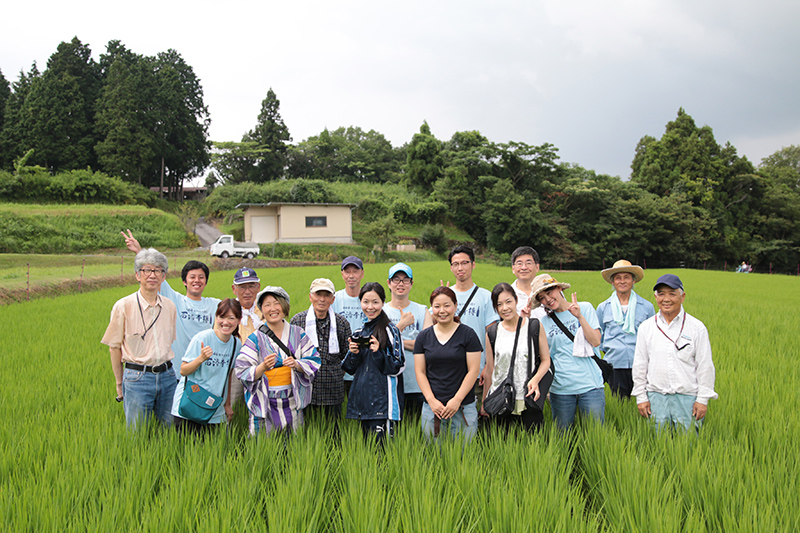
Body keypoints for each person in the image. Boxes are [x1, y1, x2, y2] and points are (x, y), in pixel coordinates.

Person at [122, 230, 220, 381]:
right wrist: (138, 251)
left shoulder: (214, 304)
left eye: (201, 277)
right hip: (176, 372)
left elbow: (236, 310)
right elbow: (154, 273)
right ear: (184, 281)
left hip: (204, 371)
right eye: (192, 277)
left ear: (206, 282)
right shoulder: (175, 300)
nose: (197, 280)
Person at [101, 248, 177, 428]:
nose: (152, 275)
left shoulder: (170, 307)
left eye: (158, 270)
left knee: (169, 429)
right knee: (137, 433)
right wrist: (119, 384)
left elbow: (170, 342)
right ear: (137, 275)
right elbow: (114, 347)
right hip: (137, 377)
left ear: (163, 276)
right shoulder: (123, 306)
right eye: (147, 270)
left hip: (167, 376)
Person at [632, 274, 717, 432]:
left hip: (687, 398)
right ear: (655, 296)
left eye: (672, 293)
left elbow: (705, 366)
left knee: (687, 448)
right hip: (655, 397)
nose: (666, 299)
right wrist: (641, 397)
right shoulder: (646, 327)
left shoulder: (696, 327)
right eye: (661, 294)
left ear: (682, 296)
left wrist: (703, 399)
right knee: (658, 446)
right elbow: (640, 364)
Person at [235, 287, 321, 436]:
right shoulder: (255, 338)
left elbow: (314, 360)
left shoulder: (298, 333)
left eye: (276, 303)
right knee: (263, 447)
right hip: (264, 402)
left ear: (284, 306)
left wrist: (297, 364)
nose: (272, 309)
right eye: (267, 305)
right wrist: (262, 367)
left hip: (292, 400)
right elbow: (241, 369)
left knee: (293, 445)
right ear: (261, 309)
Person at [531, 273, 605, 429]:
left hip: (590, 385)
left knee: (595, 434)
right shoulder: (543, 322)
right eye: (542, 298)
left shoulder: (584, 308)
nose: (548, 299)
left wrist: (580, 317)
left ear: (558, 288)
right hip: (561, 388)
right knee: (563, 436)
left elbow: (596, 341)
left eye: (549, 292)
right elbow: (544, 357)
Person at [414, 287, 482, 442]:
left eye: (447, 305)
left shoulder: (468, 334)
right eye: (437, 306)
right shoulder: (424, 337)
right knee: (433, 457)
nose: (442, 311)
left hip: (463, 406)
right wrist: (432, 401)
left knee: (464, 457)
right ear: (432, 308)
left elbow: (473, 370)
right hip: (432, 408)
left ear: (455, 306)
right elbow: (420, 372)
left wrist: (457, 400)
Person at [483, 283, 551, 432]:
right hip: (501, 398)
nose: (505, 308)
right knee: (503, 444)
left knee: (531, 444)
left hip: (527, 396)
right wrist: (484, 402)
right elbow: (490, 369)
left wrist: (535, 379)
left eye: (508, 302)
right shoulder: (493, 332)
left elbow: (546, 360)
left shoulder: (533, 326)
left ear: (515, 301)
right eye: (499, 304)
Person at [342, 282, 404, 443]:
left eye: (375, 302)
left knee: (382, 452)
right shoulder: (359, 332)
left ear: (383, 303)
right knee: (368, 452)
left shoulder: (391, 330)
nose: (370, 307)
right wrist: (354, 353)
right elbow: (349, 368)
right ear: (360, 302)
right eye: (366, 302)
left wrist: (378, 353)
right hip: (363, 403)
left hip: (384, 404)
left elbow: (398, 366)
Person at [171, 299, 242, 434]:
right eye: (221, 317)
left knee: (212, 452)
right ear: (216, 317)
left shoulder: (236, 344)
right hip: (190, 404)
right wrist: (201, 359)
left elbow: (227, 376)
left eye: (231, 318)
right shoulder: (202, 338)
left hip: (215, 409)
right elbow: (183, 370)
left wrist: (227, 405)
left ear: (239, 320)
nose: (225, 322)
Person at [444, 245, 499, 413]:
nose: (460, 268)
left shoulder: (485, 297)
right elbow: (433, 329)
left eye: (464, 263)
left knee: (477, 418)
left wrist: (488, 367)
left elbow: (492, 335)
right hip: (449, 371)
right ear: (451, 267)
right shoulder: (445, 295)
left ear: (473, 264)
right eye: (455, 264)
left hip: (477, 372)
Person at [290, 278, 351, 427]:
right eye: (318, 294)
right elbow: (291, 353)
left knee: (333, 432)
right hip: (306, 387)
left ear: (333, 299)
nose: (322, 299)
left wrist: (336, 371)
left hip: (333, 388)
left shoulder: (341, 323)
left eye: (326, 295)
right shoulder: (298, 321)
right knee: (307, 433)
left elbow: (347, 354)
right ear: (311, 297)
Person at [596, 260, 655, 398]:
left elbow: (652, 336)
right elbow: (599, 337)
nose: (622, 281)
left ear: (633, 280)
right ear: (613, 282)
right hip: (614, 364)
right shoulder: (603, 307)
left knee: (642, 402)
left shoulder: (646, 307)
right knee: (619, 402)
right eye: (618, 278)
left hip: (640, 364)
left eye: (626, 277)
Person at [384, 262, 432, 419]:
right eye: (396, 279)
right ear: (389, 283)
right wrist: (409, 342)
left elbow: (427, 345)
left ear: (411, 284)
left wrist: (393, 342)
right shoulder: (380, 312)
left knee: (417, 434)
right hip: (388, 384)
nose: (400, 284)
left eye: (405, 280)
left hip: (417, 383)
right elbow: (376, 345)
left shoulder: (422, 310)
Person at [226, 267, 263, 413]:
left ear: (258, 287)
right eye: (242, 287)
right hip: (234, 368)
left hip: (261, 367)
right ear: (234, 289)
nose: (247, 291)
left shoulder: (265, 309)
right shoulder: (227, 311)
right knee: (233, 406)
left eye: (251, 286)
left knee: (260, 407)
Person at [331, 256, 367, 393]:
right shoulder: (334, 299)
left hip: (365, 364)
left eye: (355, 271)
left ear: (362, 273)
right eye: (347, 272)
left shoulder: (369, 299)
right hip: (341, 365)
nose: (351, 276)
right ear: (342, 274)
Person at [509, 246, 544, 318]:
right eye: (519, 263)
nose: (524, 267)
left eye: (528, 263)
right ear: (513, 268)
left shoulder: (549, 290)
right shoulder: (507, 294)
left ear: (537, 267)